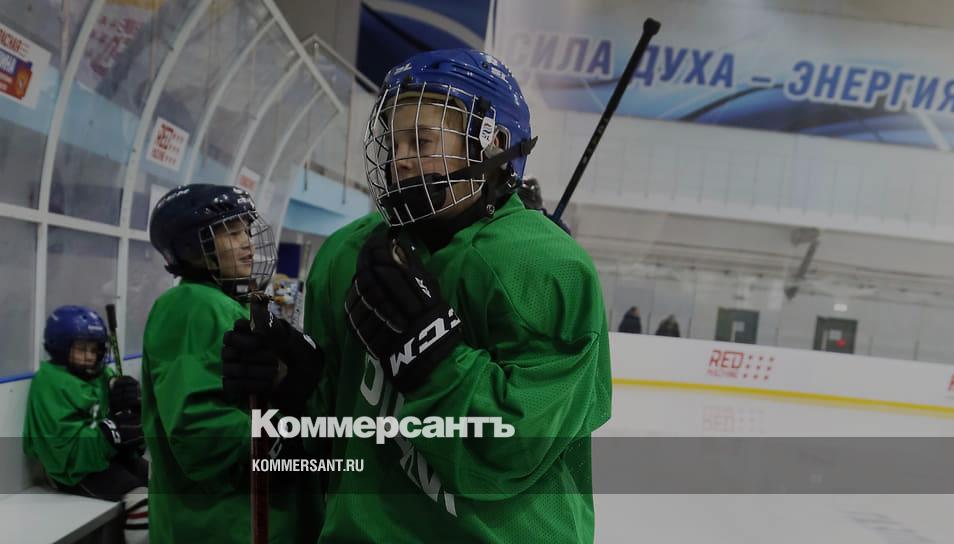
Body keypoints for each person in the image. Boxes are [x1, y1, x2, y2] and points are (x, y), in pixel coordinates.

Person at [223, 48, 612, 542]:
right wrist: (294, 394)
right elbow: (333, 448)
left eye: (422, 141)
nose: (401, 159)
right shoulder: (347, 255)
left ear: (494, 145)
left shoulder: (544, 268)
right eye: (393, 141)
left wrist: (432, 360)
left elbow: (514, 451)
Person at [143, 184, 323, 544]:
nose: (247, 243)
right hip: (224, 526)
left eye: (246, 230)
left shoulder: (227, 303)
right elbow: (201, 430)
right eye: (230, 233)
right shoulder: (192, 304)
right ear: (191, 248)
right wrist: (282, 443)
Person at [23, 305, 149, 543]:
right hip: (74, 472)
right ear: (60, 347)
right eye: (81, 349)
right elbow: (63, 451)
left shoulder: (100, 373)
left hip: (106, 460)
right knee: (142, 499)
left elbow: (120, 415)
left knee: (163, 480)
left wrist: (130, 400)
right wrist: (112, 433)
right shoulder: (50, 383)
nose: (89, 356)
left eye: (95, 349)